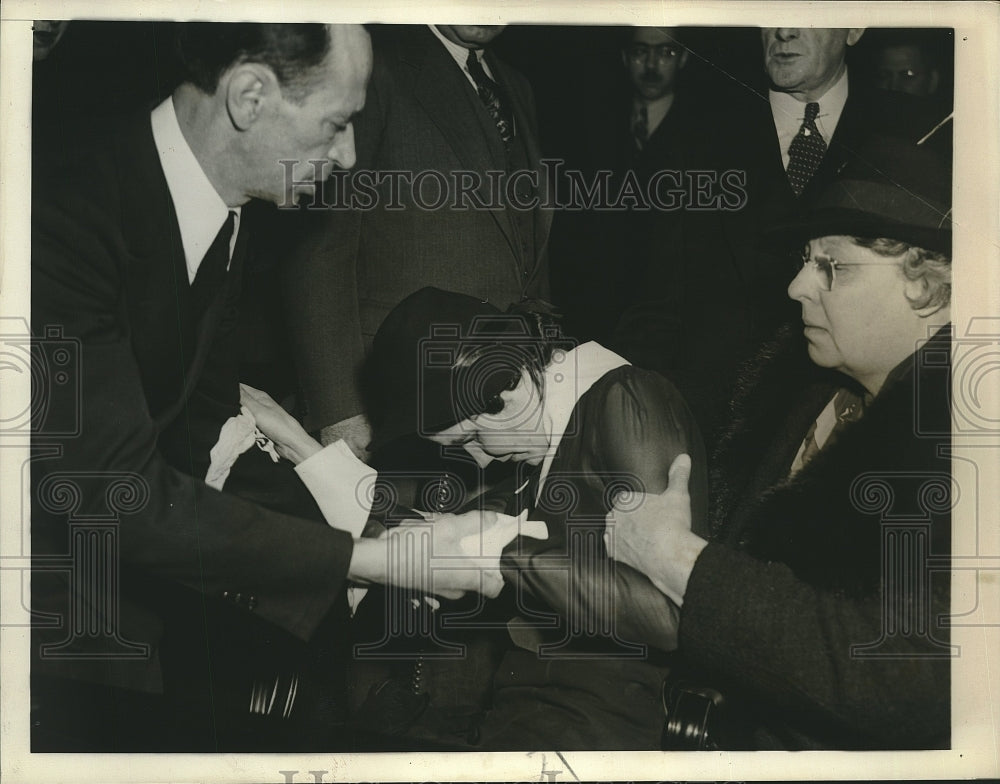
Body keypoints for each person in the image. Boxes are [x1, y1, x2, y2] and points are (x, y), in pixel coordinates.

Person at [30, 22, 525, 752]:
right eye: (337, 123)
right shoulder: (61, 217)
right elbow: (113, 492)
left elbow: (197, 445)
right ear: (250, 96)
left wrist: (387, 533)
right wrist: (378, 561)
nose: (351, 155)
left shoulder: (226, 220)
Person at [242, 287, 709, 750]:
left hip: (604, 727)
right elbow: (436, 532)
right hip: (527, 712)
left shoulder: (627, 398)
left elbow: (670, 614)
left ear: (509, 390)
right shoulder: (552, 434)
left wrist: (501, 547)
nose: (480, 462)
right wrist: (298, 445)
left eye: (470, 440)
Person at [606, 136, 953, 749]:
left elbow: (907, 676)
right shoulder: (806, 396)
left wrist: (677, 560)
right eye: (805, 259)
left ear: (927, 286)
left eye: (832, 266)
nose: (796, 286)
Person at [615, 26, 947, 451]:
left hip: (857, 437)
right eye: (771, 12)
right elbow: (654, 309)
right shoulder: (691, 135)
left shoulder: (917, 129)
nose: (784, 30)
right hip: (709, 433)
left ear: (855, 26)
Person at [281, 24, 552, 458]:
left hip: (504, 411)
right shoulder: (372, 67)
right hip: (395, 408)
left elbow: (525, 253)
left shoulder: (516, 87)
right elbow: (318, 249)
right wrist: (340, 412)